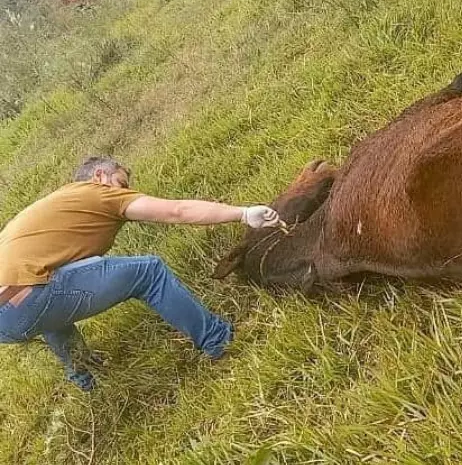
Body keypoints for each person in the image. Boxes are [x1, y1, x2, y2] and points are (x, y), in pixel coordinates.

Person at [0, 156, 280, 391]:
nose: (125, 191)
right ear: (100, 176)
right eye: (121, 183)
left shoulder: (59, 203)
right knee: (148, 272)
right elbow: (177, 211)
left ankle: (86, 379)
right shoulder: (96, 193)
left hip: (7, 320)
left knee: (51, 300)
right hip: (27, 293)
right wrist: (243, 214)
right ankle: (218, 340)